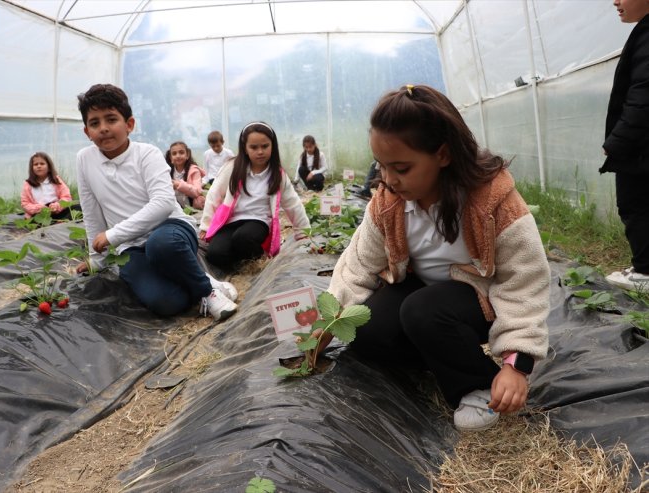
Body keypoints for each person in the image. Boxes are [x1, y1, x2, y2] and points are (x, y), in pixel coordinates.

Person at [322, 85, 550, 432]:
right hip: (424, 294)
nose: (388, 180)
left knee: (423, 310)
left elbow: (525, 279)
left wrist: (516, 363)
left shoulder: (493, 201)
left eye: (401, 167)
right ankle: (443, 356)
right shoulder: (387, 203)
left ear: (443, 154)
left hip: (478, 301)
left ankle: (479, 384)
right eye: (381, 166)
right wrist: (327, 324)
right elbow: (357, 264)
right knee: (366, 331)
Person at [74, 84, 237, 321]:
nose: (104, 128)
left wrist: (112, 235)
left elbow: (162, 204)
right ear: (87, 131)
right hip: (129, 247)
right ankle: (203, 280)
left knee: (161, 246)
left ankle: (208, 292)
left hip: (170, 231)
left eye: (111, 119)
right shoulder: (84, 159)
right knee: (165, 302)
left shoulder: (146, 154)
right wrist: (96, 259)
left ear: (129, 124)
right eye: (95, 123)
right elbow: (91, 211)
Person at [199, 121, 310, 272]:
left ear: (273, 146)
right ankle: (240, 264)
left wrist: (303, 232)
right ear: (245, 148)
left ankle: (260, 259)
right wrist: (205, 226)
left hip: (258, 221)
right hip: (232, 221)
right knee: (215, 254)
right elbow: (214, 195)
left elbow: (292, 203)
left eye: (265, 146)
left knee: (243, 238)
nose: (260, 151)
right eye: (254, 147)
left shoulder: (277, 174)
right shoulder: (233, 167)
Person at [601, 0, 649, 291]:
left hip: (641, 149)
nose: (616, 1)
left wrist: (616, 142)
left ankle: (645, 273)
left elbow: (643, 93)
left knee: (635, 204)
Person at [20, 152, 75, 220]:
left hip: (56, 211)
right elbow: (25, 203)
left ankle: (59, 221)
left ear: (49, 167)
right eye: (35, 164)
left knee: (77, 207)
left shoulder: (56, 180)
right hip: (39, 214)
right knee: (33, 219)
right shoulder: (28, 184)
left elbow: (67, 197)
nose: (39, 166)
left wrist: (57, 206)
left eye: (42, 164)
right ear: (32, 168)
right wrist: (40, 209)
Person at [166, 141, 206, 210]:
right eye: (174, 154)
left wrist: (178, 185)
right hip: (176, 210)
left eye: (181, 152)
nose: (178, 156)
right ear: (171, 158)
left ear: (187, 155)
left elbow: (197, 192)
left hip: (193, 209)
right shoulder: (168, 172)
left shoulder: (194, 171)